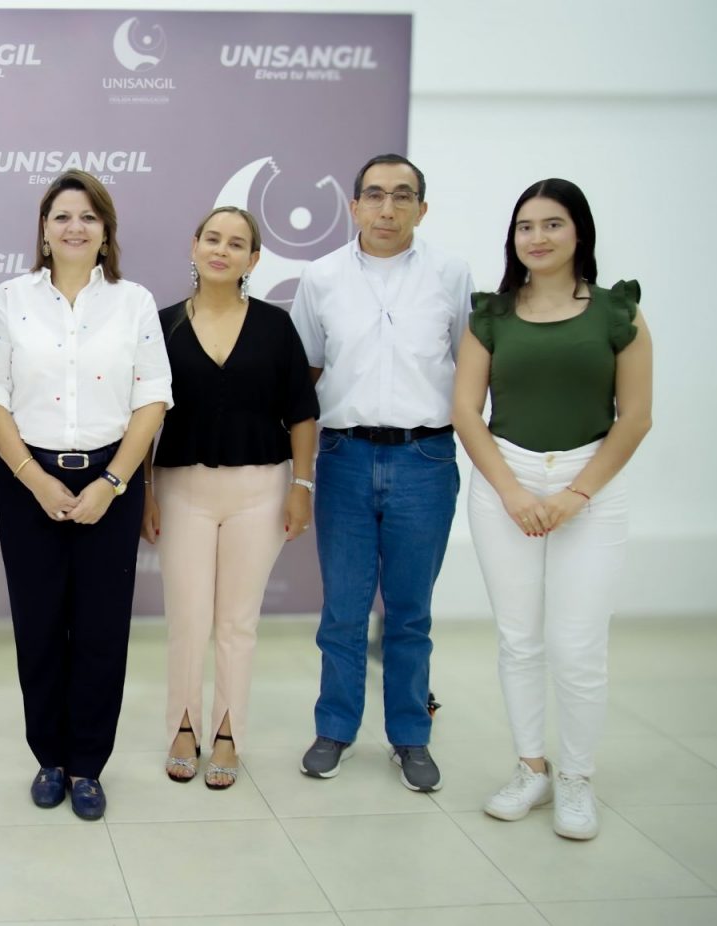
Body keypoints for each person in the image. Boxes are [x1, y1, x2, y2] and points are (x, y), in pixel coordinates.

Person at [452, 179, 651, 840]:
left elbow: (635, 418)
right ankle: (531, 768)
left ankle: (576, 778)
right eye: (525, 226)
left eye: (552, 224)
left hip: (589, 489)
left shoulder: (618, 312)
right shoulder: (491, 315)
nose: (536, 238)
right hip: (503, 486)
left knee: (578, 645)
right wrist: (513, 492)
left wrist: (574, 495)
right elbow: (466, 412)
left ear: (579, 232)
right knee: (520, 638)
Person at [0, 169, 172, 820]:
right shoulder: (10, 299)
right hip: (26, 478)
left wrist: (112, 484)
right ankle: (50, 759)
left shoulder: (133, 302)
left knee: (100, 629)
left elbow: (152, 399)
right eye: (62, 215)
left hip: (110, 480)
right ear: (43, 229)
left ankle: (87, 764)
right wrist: (35, 478)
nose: (75, 226)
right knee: (37, 626)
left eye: (88, 216)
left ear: (106, 232)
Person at [291, 154, 473, 792]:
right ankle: (335, 728)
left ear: (422, 207)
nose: (387, 208)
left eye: (402, 196)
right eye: (374, 195)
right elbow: (306, 373)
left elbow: (470, 366)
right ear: (354, 206)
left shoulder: (451, 274)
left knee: (409, 613)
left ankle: (410, 736)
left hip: (425, 459)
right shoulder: (321, 277)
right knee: (342, 611)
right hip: (345, 457)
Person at [145, 206, 319, 789]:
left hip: (260, 491)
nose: (222, 250)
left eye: (236, 243)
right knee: (188, 619)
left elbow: (302, 413)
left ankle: (228, 733)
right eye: (213, 239)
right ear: (194, 246)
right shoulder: (162, 325)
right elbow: (143, 417)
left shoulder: (275, 326)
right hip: (181, 489)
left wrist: (301, 487)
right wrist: (144, 492)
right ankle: (183, 726)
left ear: (254, 258)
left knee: (237, 622)